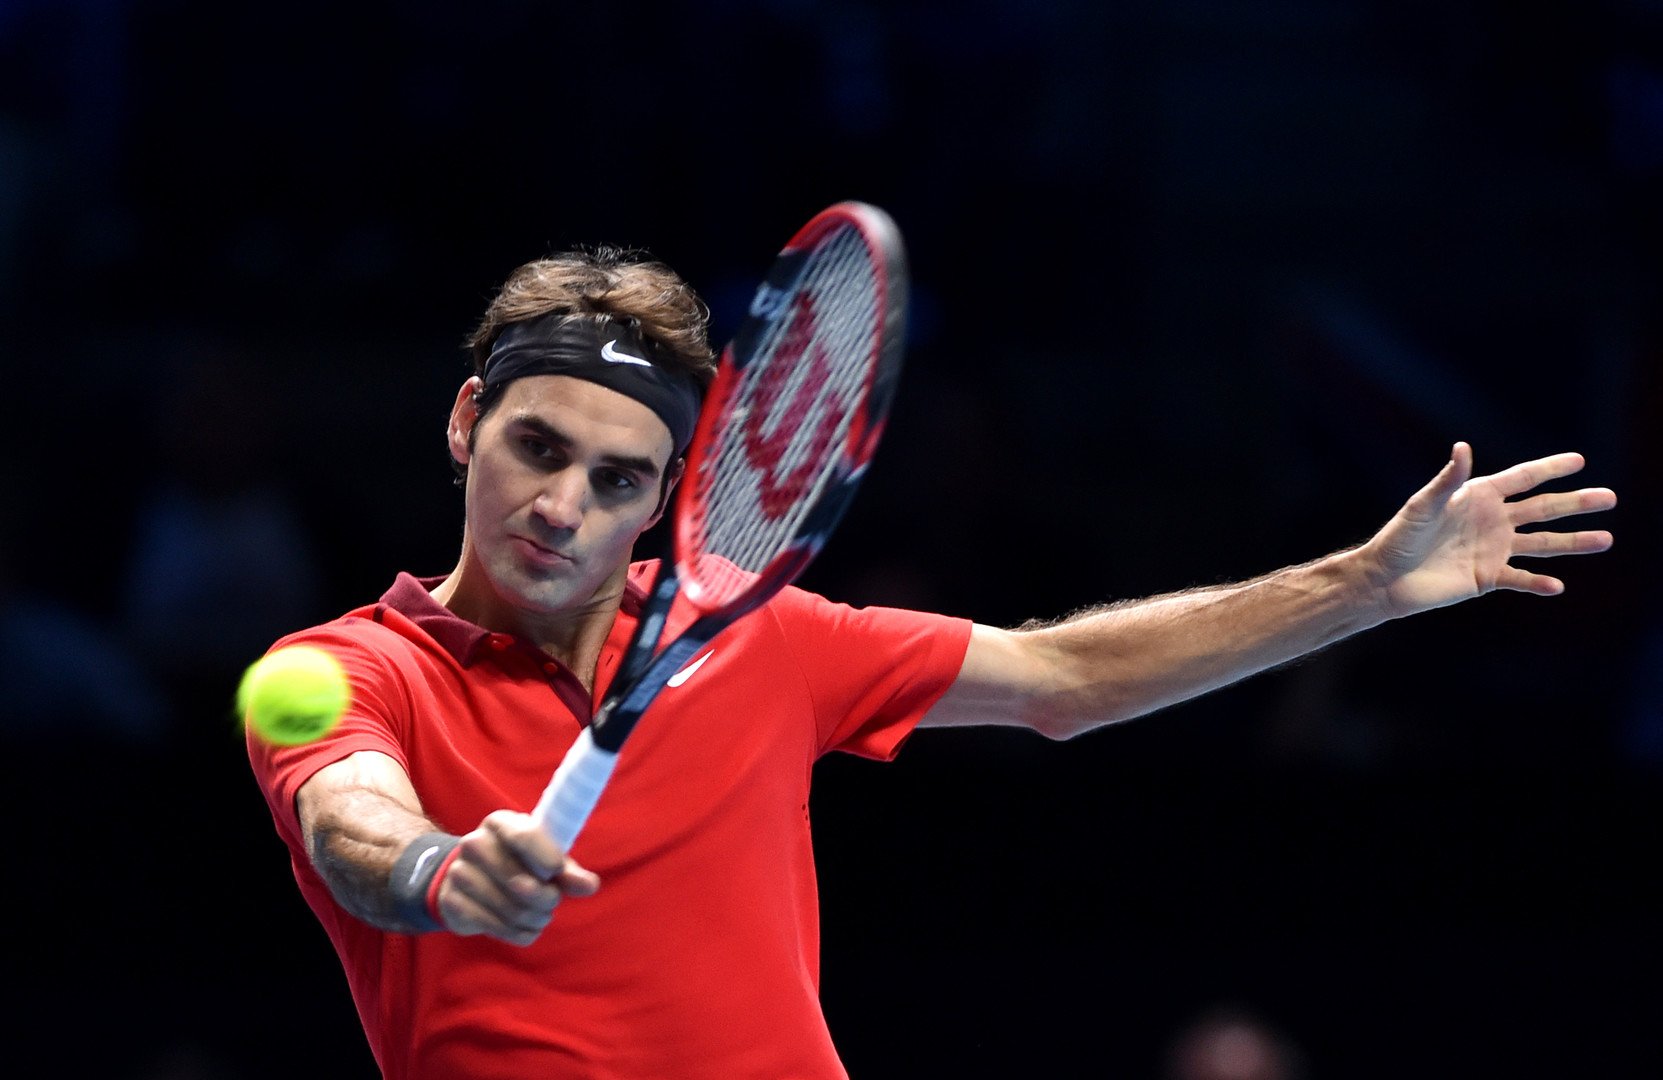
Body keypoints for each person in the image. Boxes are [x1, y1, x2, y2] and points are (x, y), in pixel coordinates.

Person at [246, 247, 1616, 1080]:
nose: (563, 507)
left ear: (665, 496)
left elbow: (1064, 680)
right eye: (537, 448)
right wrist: (442, 871)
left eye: (618, 477)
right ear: (467, 422)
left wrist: (1363, 585)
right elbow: (353, 819)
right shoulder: (351, 670)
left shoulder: (756, 632)